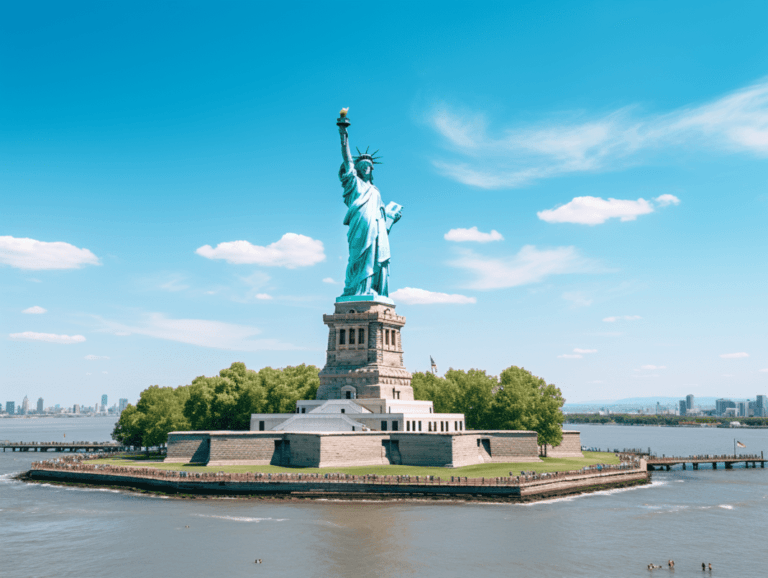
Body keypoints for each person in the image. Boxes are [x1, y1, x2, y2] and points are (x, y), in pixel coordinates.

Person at [337, 120, 401, 298]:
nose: (366, 169)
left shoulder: (375, 191)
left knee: (374, 258)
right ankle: (355, 290)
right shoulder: (354, 183)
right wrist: (343, 134)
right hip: (359, 225)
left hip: (376, 226)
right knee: (357, 257)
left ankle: (369, 289)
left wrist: (391, 219)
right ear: (357, 169)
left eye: (369, 167)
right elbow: (347, 159)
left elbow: (382, 219)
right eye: (362, 166)